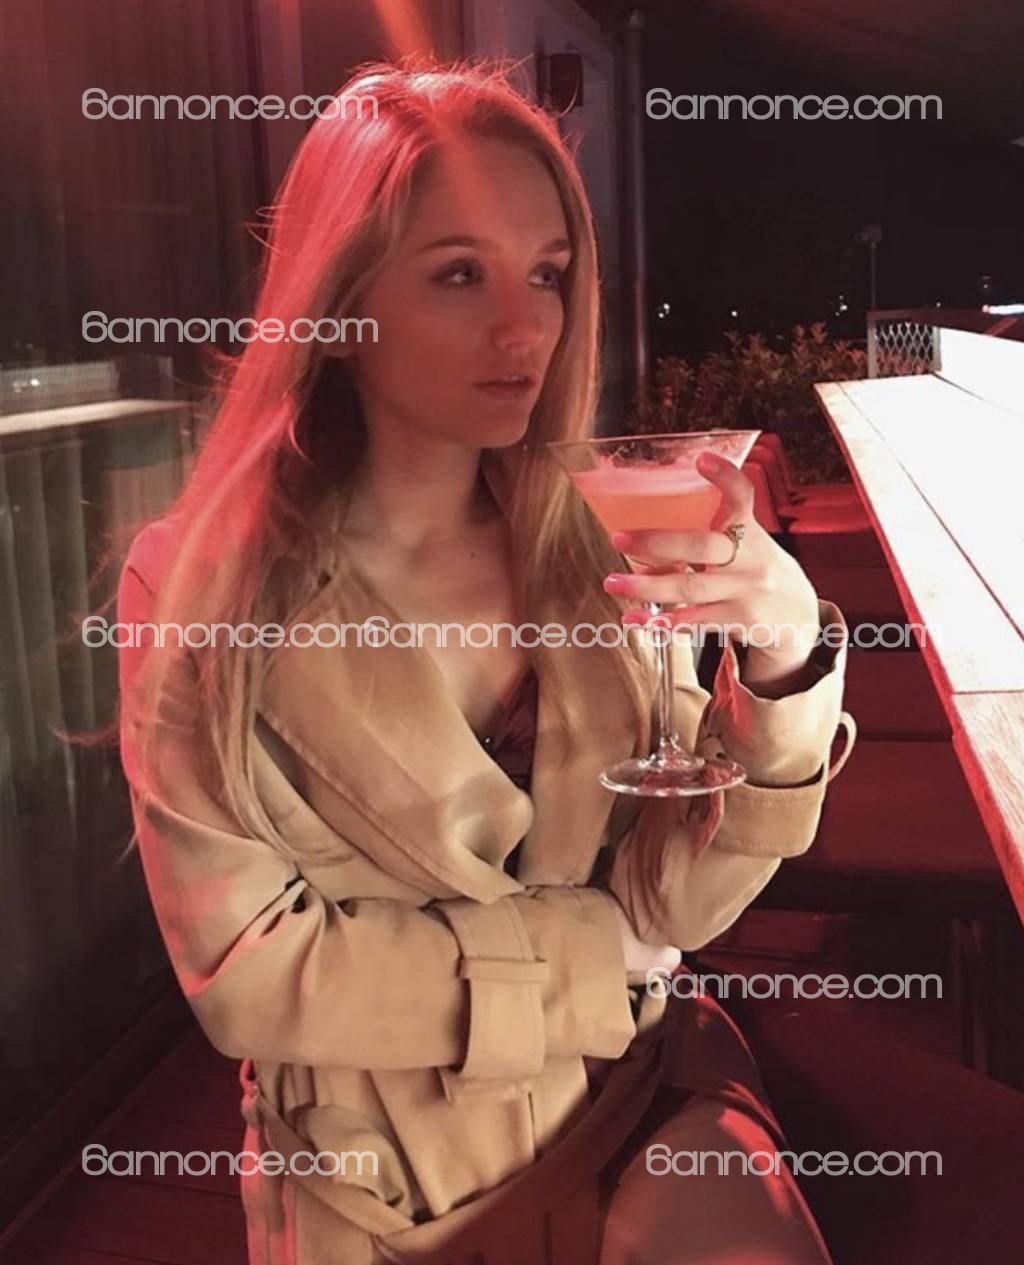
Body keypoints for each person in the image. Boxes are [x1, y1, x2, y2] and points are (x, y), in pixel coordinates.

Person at [116, 61, 856, 1265]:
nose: (525, 329)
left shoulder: (593, 542)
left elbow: (677, 904)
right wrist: (600, 956)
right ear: (341, 300)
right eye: (459, 273)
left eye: (547, 273)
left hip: (633, 1086)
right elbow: (250, 977)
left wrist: (779, 669)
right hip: (386, 1182)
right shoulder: (201, 588)